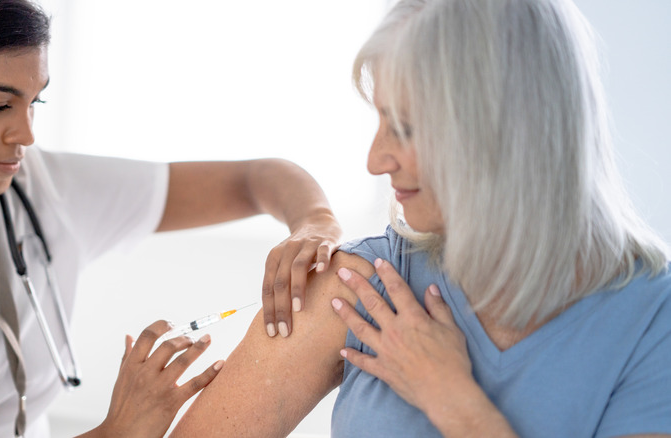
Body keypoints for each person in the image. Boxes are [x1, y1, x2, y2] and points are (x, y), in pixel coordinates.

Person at [170, 0, 671, 436]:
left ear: (507, 135)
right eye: (381, 119)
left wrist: (454, 401)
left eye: (406, 128)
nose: (375, 160)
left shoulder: (652, 318)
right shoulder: (362, 282)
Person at [0, 0, 343, 437]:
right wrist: (118, 431)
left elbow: (256, 178)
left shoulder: (43, 186)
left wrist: (316, 222)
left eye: (36, 103)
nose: (27, 134)